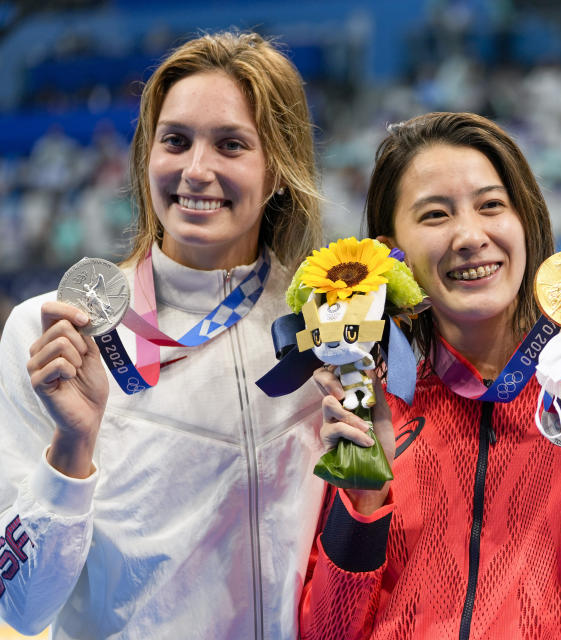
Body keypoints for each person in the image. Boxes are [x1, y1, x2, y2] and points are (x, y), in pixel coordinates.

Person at [297, 112, 561, 639]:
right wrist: (362, 500)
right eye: (435, 215)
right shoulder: (371, 403)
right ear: (390, 255)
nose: (471, 236)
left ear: (526, 220)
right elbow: (325, 634)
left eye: (491, 205)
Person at [0, 31, 327, 639]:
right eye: (175, 141)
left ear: (280, 168)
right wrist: (72, 450)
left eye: (230, 145)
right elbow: (19, 605)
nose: (196, 171)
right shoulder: (52, 335)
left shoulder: (325, 328)